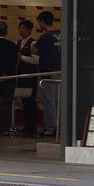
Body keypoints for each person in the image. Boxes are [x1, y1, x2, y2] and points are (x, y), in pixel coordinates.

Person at [35, 10, 61, 138]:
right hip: (59, 72)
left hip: (48, 73)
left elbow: (35, 50)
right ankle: (57, 126)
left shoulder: (45, 37)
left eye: (39, 22)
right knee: (56, 102)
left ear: (42, 21)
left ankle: (51, 128)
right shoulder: (58, 35)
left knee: (48, 101)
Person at [15, 17, 39, 136]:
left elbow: (36, 60)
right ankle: (27, 125)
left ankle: (32, 126)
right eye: (20, 28)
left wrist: (22, 58)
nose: (21, 30)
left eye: (23, 28)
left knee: (31, 101)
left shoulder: (33, 43)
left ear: (30, 30)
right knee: (24, 102)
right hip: (21, 76)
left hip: (30, 76)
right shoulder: (18, 43)